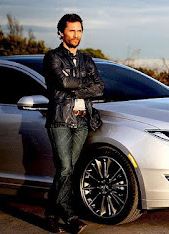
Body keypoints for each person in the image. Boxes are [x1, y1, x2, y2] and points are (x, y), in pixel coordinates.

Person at [43, 13, 104, 233]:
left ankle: (51, 213)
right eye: (71, 30)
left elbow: (100, 87)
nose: (76, 35)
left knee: (68, 170)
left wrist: (74, 86)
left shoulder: (87, 59)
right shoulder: (52, 57)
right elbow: (62, 81)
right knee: (65, 168)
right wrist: (84, 83)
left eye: (79, 31)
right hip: (60, 119)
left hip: (82, 120)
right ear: (61, 32)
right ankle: (69, 215)